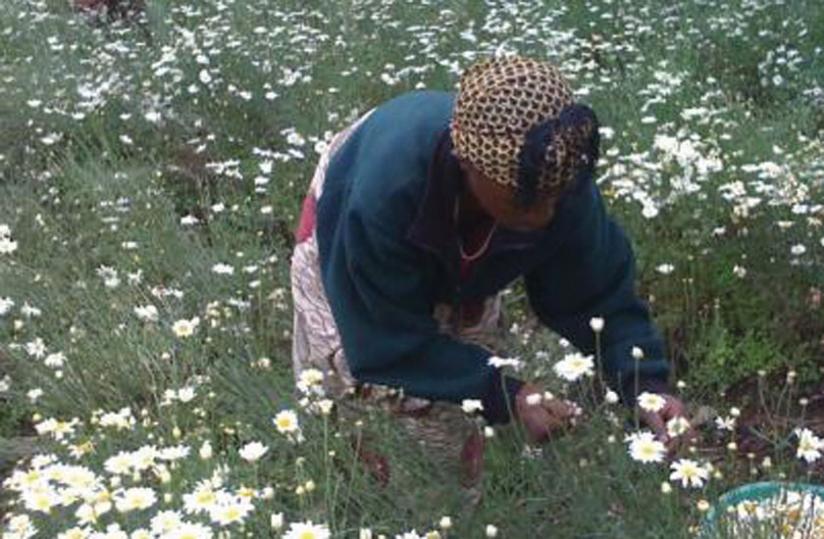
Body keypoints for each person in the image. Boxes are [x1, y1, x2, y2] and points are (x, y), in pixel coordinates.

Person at [290, 56, 687, 486]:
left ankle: (450, 504)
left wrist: (645, 384)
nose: (542, 216)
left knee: (452, 425)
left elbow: (597, 293)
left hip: (454, 221)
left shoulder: (553, 173)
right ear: (468, 165)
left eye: (555, 198)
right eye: (524, 202)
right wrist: (509, 393)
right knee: (348, 388)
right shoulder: (379, 201)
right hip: (352, 211)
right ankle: (353, 495)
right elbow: (382, 342)